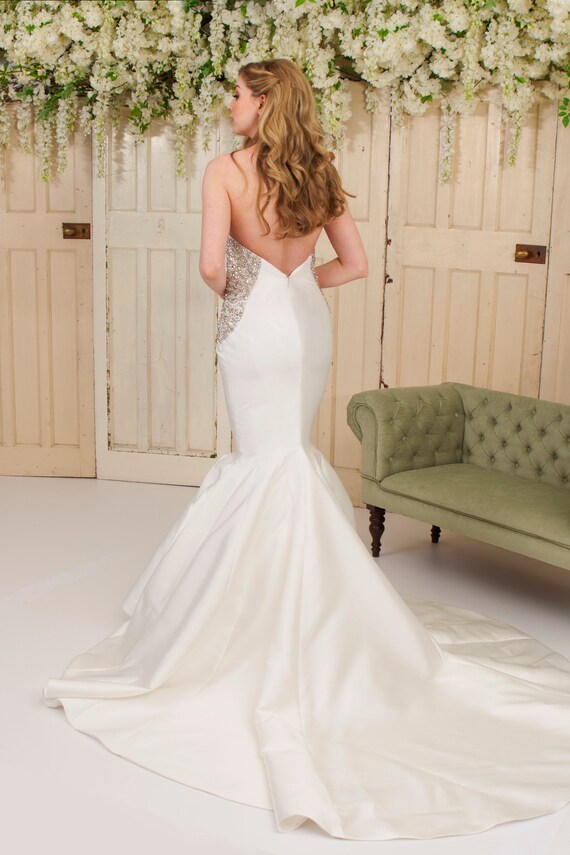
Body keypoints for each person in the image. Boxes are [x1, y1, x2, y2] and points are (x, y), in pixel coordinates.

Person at [43, 59, 570, 841]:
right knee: (289, 455)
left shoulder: (224, 172)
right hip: (305, 325)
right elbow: (354, 264)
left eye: (238, 94)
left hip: (253, 328)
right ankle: (320, 613)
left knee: (265, 461)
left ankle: (248, 622)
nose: (230, 104)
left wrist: (250, 295)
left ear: (263, 104)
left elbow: (212, 266)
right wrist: (295, 286)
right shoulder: (321, 172)